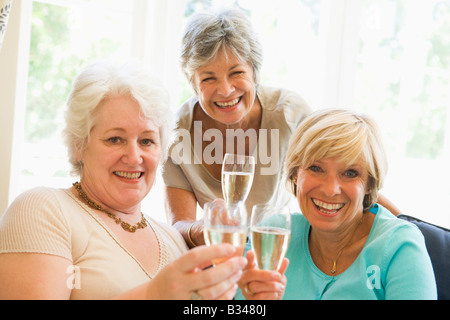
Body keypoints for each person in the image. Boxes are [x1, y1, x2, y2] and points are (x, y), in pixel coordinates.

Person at [0, 60, 247, 300]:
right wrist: (154, 295)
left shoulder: (172, 239)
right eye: (115, 139)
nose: (134, 157)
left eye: (146, 141)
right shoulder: (44, 209)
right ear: (79, 146)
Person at [240, 109, 437, 299]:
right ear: (294, 174)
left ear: (370, 184)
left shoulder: (400, 247)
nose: (330, 189)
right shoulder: (272, 233)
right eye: (316, 168)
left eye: (350, 173)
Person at [162, 7, 311, 249]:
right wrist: (202, 228)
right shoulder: (176, 132)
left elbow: (339, 175)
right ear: (194, 84)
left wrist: (395, 218)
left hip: (276, 250)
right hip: (216, 255)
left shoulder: (289, 114)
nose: (225, 90)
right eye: (208, 78)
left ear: (255, 73)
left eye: (237, 72)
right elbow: (178, 225)